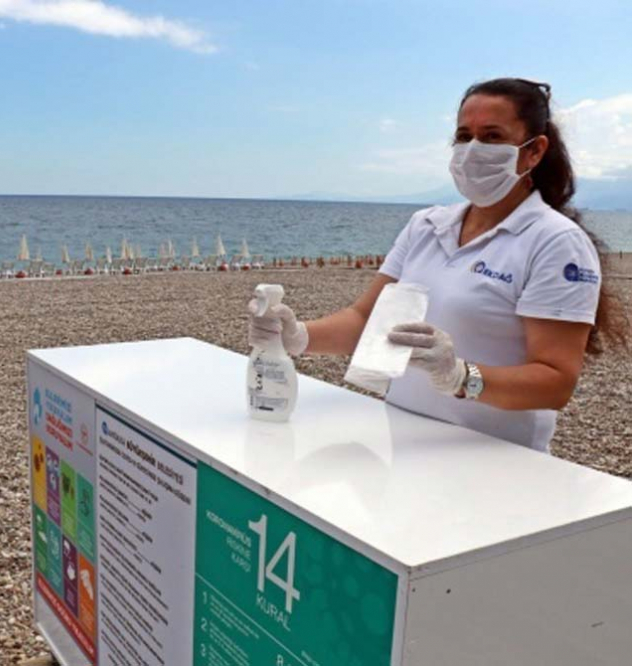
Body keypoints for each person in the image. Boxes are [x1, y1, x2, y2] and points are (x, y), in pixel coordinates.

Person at [249, 78, 627, 452]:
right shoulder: (427, 225)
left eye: (492, 136)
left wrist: (462, 377)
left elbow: (555, 383)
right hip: (401, 441)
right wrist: (296, 335)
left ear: (534, 151)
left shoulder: (555, 242)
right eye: (464, 137)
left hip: (497, 462)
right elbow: (367, 320)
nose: (473, 149)